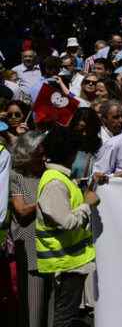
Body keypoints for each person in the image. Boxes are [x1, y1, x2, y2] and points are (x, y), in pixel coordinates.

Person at [34, 126, 99, 327]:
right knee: (64, 317)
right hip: (64, 263)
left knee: (66, 316)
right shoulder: (55, 183)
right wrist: (88, 204)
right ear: (70, 152)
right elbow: (67, 222)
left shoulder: (63, 178)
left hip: (70, 262)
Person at [8, 132, 49, 327]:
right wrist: (46, 202)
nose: (43, 157)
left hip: (52, 245)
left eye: (44, 152)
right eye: (38, 153)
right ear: (26, 153)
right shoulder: (16, 176)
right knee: (34, 305)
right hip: (30, 245)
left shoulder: (49, 173)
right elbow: (22, 210)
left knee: (51, 306)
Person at [68, 108, 103, 181]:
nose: (84, 134)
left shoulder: (97, 147)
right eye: (79, 120)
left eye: (87, 130)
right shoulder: (62, 146)